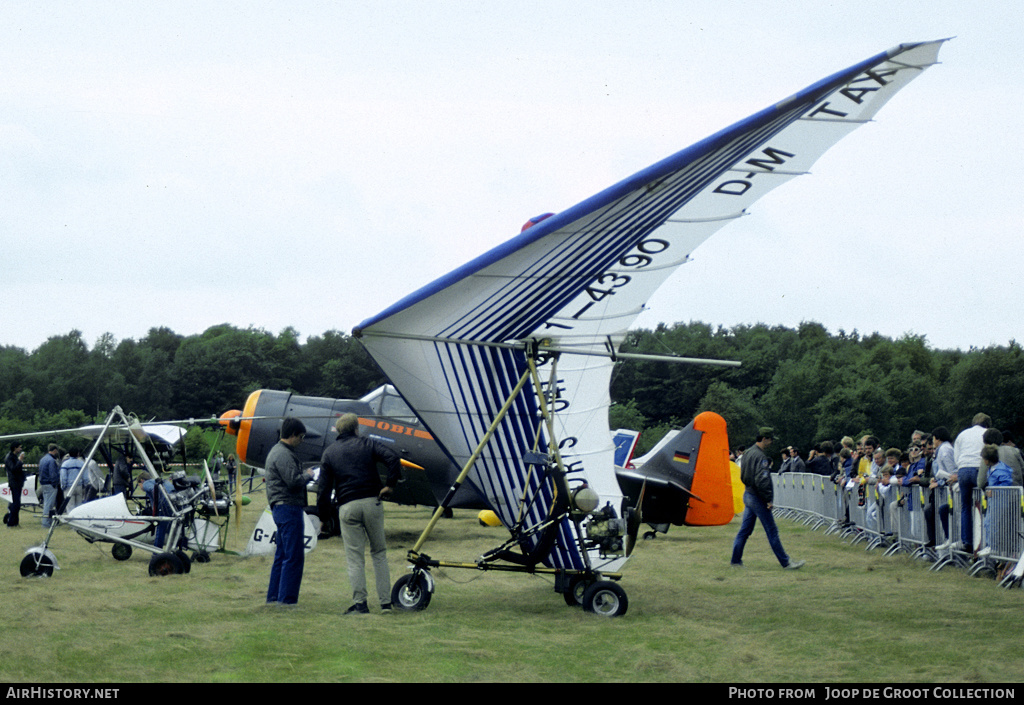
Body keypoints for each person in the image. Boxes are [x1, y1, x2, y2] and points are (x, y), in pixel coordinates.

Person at [320, 412, 402, 614]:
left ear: (338, 431)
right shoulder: (368, 444)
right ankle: (385, 604)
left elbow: (323, 489)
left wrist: (324, 517)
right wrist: (389, 485)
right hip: (372, 502)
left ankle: (360, 604)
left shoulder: (329, 453)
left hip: (347, 506)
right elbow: (393, 458)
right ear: (357, 429)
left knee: (355, 559)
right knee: (379, 553)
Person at [730, 427, 804, 570]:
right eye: (770, 439)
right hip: (758, 497)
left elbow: (743, 475)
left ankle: (735, 560)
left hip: (748, 493)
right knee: (772, 530)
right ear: (764, 439)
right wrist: (768, 499)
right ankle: (786, 562)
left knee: (744, 531)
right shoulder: (761, 457)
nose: (771, 443)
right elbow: (762, 481)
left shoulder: (747, 454)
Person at [265, 417, 315, 606]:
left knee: (282, 555)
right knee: (293, 556)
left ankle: (274, 597)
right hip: (288, 507)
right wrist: (308, 475)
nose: (301, 441)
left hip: (280, 507)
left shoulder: (276, 452)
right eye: (301, 437)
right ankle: (287, 601)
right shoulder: (284, 454)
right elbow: (293, 482)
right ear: (293, 435)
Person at [953, 413, 991, 550]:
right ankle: (986, 541)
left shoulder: (962, 434)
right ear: (987, 424)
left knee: (965, 507)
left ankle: (967, 541)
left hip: (963, 469)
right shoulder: (987, 433)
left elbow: (956, 456)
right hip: (979, 468)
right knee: (986, 505)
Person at [38, 444, 61, 528]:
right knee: (49, 504)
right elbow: (53, 474)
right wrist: (55, 483)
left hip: (43, 484)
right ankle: (46, 523)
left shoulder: (43, 459)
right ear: (55, 450)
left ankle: (48, 522)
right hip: (50, 484)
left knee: (46, 503)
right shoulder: (52, 460)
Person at [4, 442, 26, 527]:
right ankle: (11, 522)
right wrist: (20, 461)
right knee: (16, 503)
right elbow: (13, 469)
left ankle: (15, 522)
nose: (20, 449)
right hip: (14, 483)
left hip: (18, 482)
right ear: (15, 448)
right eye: (19, 447)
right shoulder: (9, 458)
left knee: (17, 503)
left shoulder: (14, 457)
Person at [59, 447, 88, 512]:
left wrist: (63, 486)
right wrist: (85, 485)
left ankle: (71, 520)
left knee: (70, 505)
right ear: (78, 454)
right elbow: (86, 476)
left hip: (69, 487)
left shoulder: (65, 464)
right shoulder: (82, 463)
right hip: (79, 486)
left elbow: (63, 477)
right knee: (79, 506)